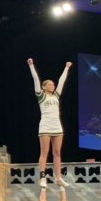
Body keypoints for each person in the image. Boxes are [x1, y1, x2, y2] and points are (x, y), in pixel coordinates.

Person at [27, 58, 72, 186]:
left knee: (57, 153)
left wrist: (67, 67)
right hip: (45, 125)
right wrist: (31, 65)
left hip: (57, 126)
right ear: (44, 87)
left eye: (53, 84)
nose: (52, 86)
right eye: (50, 85)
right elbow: (35, 79)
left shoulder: (56, 95)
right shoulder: (41, 96)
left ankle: (58, 177)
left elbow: (62, 81)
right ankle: (42, 177)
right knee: (44, 152)